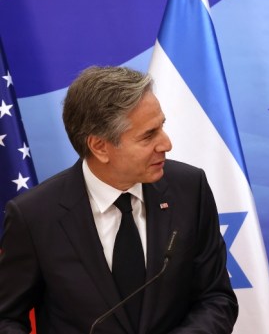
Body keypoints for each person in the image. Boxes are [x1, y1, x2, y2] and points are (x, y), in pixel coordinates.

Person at [0, 66, 238, 333]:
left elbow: (216, 298)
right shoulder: (34, 215)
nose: (166, 144)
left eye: (162, 127)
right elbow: (5, 317)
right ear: (100, 147)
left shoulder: (190, 189)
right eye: (148, 135)